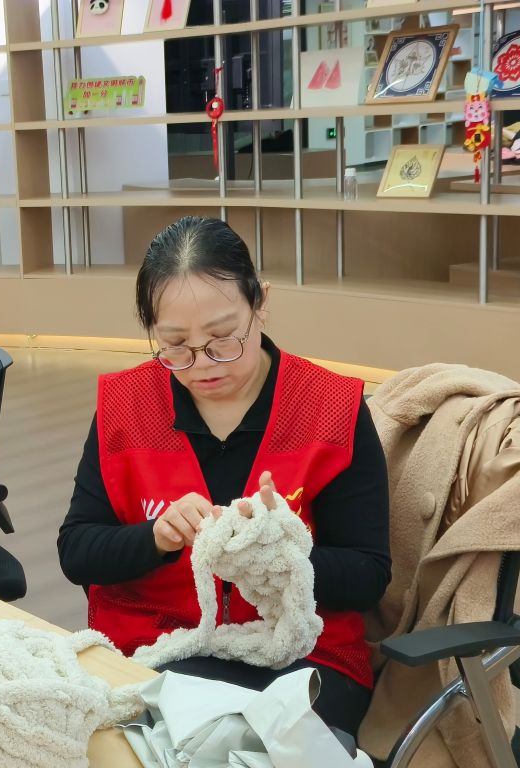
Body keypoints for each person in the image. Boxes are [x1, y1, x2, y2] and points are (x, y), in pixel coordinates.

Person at [57, 216, 390, 737]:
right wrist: (156, 537)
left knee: (240, 742)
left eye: (223, 338)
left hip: (302, 652)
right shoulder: (125, 405)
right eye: (175, 344)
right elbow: (77, 550)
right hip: (156, 644)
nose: (203, 364)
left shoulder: (332, 408)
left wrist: (279, 555)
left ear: (261, 304)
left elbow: (368, 575)